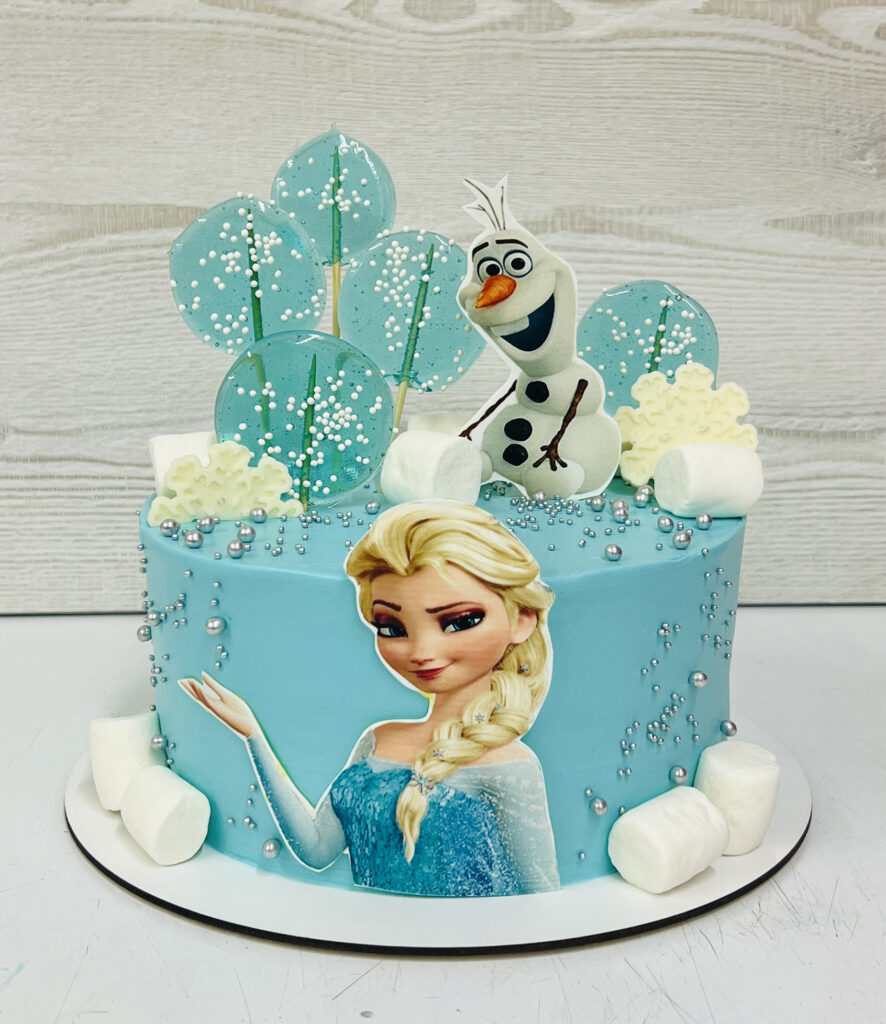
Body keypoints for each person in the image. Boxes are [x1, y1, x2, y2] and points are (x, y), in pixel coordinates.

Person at [180, 500, 559, 896]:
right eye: (392, 628)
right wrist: (253, 735)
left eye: (460, 621)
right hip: (358, 928)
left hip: (471, 933)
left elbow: (540, 893)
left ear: (521, 620)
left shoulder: (510, 766)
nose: (421, 651)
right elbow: (316, 849)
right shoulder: (378, 740)